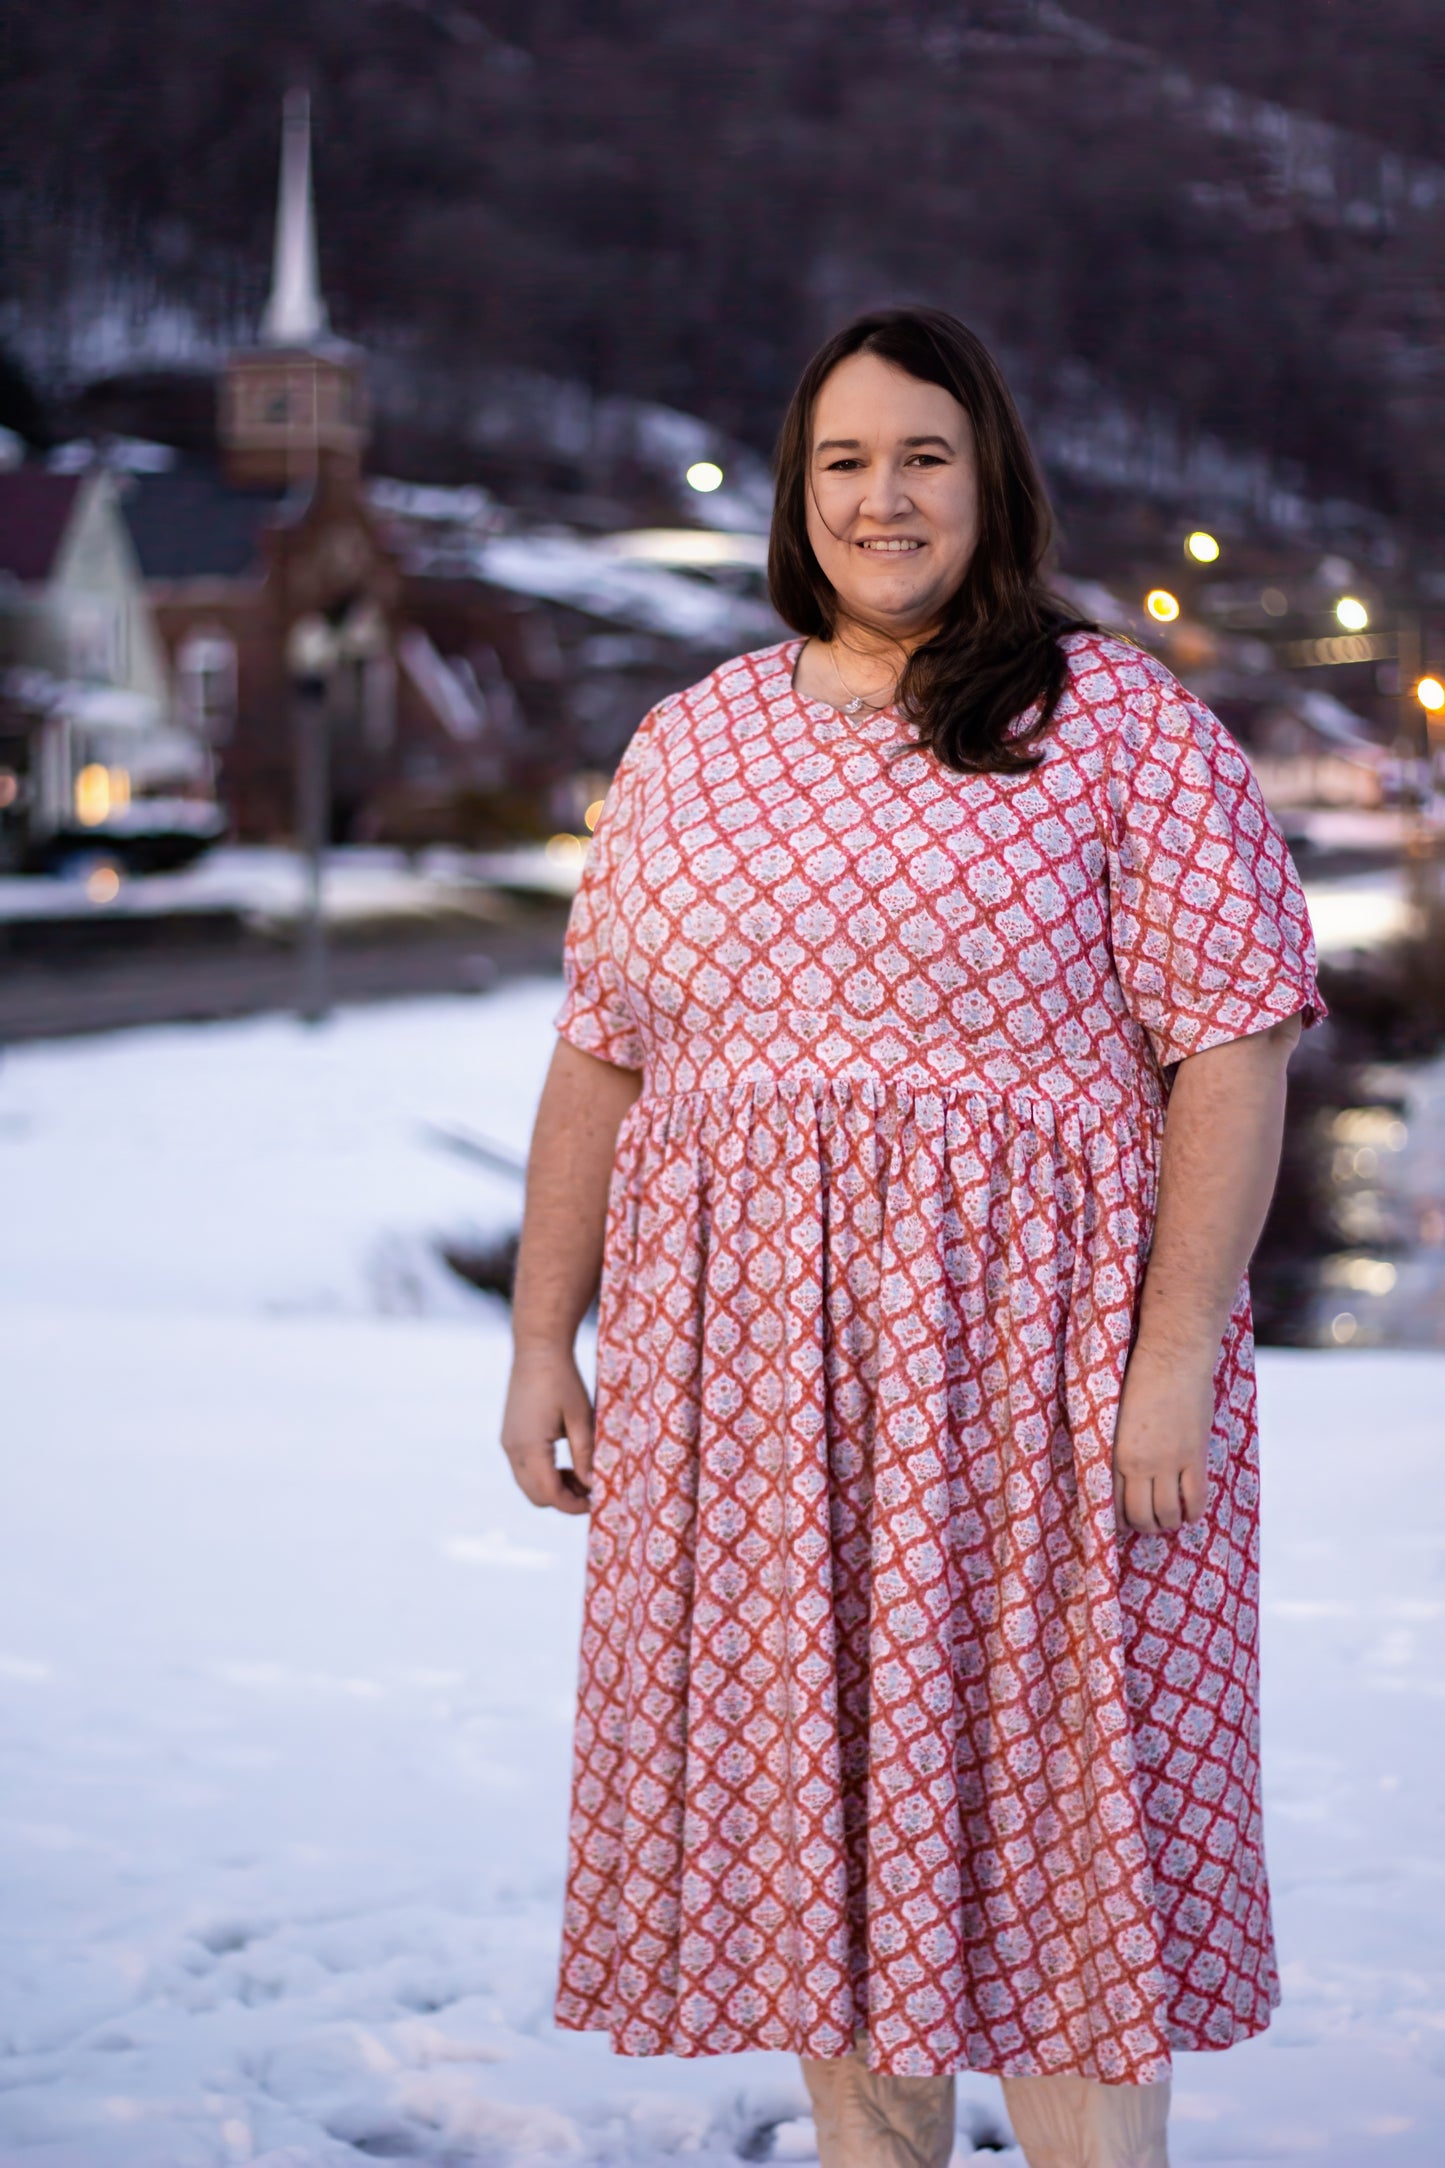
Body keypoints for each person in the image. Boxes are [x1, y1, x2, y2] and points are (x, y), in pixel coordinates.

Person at [501, 306, 1323, 2168]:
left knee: (1053, 1849)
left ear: (990, 480)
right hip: (750, 1402)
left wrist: (1170, 1356)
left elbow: (1235, 1047)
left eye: (924, 456)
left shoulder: (1117, 722)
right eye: (845, 460)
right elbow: (600, 1057)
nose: (884, 497)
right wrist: (548, 1338)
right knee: (827, 1852)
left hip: (1041, 1382)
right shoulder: (690, 741)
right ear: (800, 496)